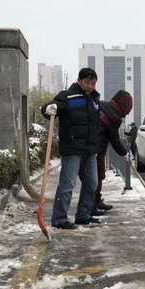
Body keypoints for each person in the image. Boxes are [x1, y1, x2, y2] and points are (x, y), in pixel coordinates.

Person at [41, 67, 101, 229]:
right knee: (68, 184)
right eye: (87, 82)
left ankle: (83, 215)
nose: (90, 86)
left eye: (93, 83)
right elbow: (48, 107)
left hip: (89, 149)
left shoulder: (95, 100)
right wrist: (49, 109)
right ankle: (59, 219)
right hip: (72, 147)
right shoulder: (68, 96)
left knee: (92, 183)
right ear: (80, 81)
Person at [94, 90, 133, 212]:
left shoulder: (102, 105)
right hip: (97, 148)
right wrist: (125, 153)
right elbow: (115, 140)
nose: (125, 114)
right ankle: (93, 203)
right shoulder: (114, 116)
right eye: (126, 110)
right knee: (97, 176)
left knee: (94, 176)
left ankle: (94, 201)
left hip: (90, 145)